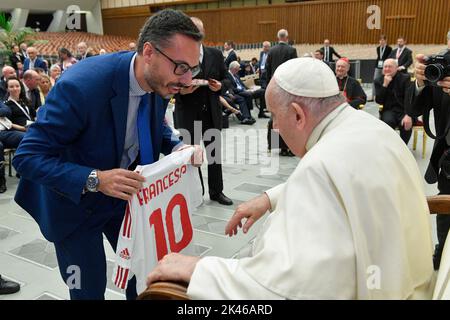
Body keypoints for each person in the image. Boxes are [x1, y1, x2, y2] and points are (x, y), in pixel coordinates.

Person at [146, 57, 434, 300]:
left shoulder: (320, 166)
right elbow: (347, 183)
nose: (276, 128)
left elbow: (282, 289)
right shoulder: (370, 128)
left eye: (274, 117)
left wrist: (201, 270)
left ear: (297, 115)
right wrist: (269, 198)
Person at [12, 8, 203, 300]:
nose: (188, 80)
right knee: (87, 288)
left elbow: (149, 125)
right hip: (74, 204)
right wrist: (95, 179)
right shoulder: (81, 86)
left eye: (193, 69)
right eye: (181, 68)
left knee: (144, 276)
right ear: (149, 52)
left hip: (123, 199)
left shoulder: (159, 81)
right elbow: (27, 156)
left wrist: (177, 145)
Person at [174, 17, 233, 206]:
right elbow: (169, 82)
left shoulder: (215, 54)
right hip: (188, 113)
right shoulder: (176, 54)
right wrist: (181, 90)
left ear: (202, 33)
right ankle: (195, 193)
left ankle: (217, 192)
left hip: (210, 113)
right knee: (192, 156)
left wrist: (219, 87)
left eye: (197, 31)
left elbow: (227, 80)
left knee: (214, 155)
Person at [408, 30, 450, 270]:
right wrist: (420, 82)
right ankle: (442, 251)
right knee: (445, 210)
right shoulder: (442, 67)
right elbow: (414, 110)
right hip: (447, 160)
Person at [265, 28, 297, 156]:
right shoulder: (292, 50)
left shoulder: (271, 51)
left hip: (274, 87)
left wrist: (269, 85)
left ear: (278, 37)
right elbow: (295, 69)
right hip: (288, 88)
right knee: (288, 117)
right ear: (287, 37)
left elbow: (267, 70)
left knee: (275, 117)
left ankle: (274, 145)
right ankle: (287, 147)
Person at [374, 58, 413, 144]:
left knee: (405, 124)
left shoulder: (405, 78)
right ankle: (391, 147)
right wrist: (385, 85)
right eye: (385, 67)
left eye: (390, 67)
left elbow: (409, 97)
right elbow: (379, 101)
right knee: (388, 122)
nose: (387, 69)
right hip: (389, 110)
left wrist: (408, 114)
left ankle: (403, 147)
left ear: (396, 68)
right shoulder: (378, 80)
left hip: (404, 109)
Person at [373, 35, 392, 99]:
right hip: (378, 65)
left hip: (385, 66)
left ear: (385, 40)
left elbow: (389, 57)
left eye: (383, 40)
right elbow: (379, 57)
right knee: (375, 79)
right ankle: (374, 95)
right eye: (380, 40)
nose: (381, 41)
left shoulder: (389, 48)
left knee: (384, 79)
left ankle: (384, 94)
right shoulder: (378, 48)